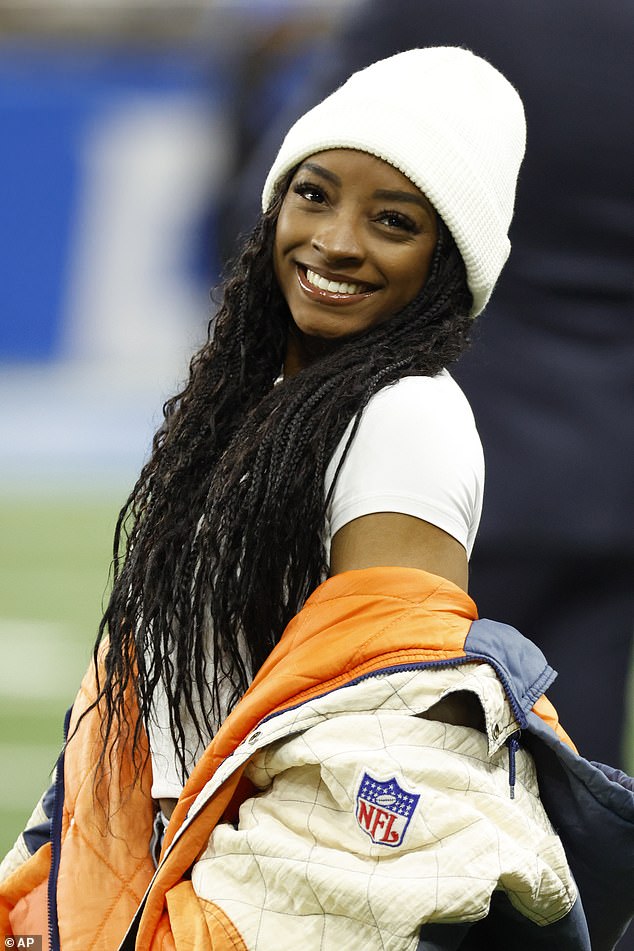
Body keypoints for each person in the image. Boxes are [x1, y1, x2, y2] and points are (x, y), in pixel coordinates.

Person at [1, 48, 633, 951]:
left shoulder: (403, 417)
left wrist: (204, 927)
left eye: (393, 219)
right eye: (313, 194)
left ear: (446, 260)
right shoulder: (264, 401)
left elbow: (387, 746)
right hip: (156, 874)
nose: (336, 240)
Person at [216, 0, 634, 777]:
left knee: (375, 795)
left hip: (441, 454)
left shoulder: (432, 8)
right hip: (612, 479)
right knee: (572, 795)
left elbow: (292, 198)